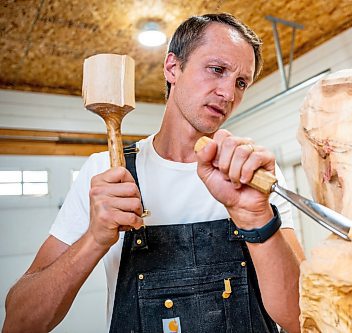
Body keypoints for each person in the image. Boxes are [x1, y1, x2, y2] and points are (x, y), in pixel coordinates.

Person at [3, 13, 304, 333]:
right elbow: (20, 322)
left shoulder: (253, 178)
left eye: (241, 82)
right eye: (217, 70)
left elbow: (302, 320)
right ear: (173, 67)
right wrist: (94, 238)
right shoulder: (104, 173)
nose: (229, 94)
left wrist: (257, 220)